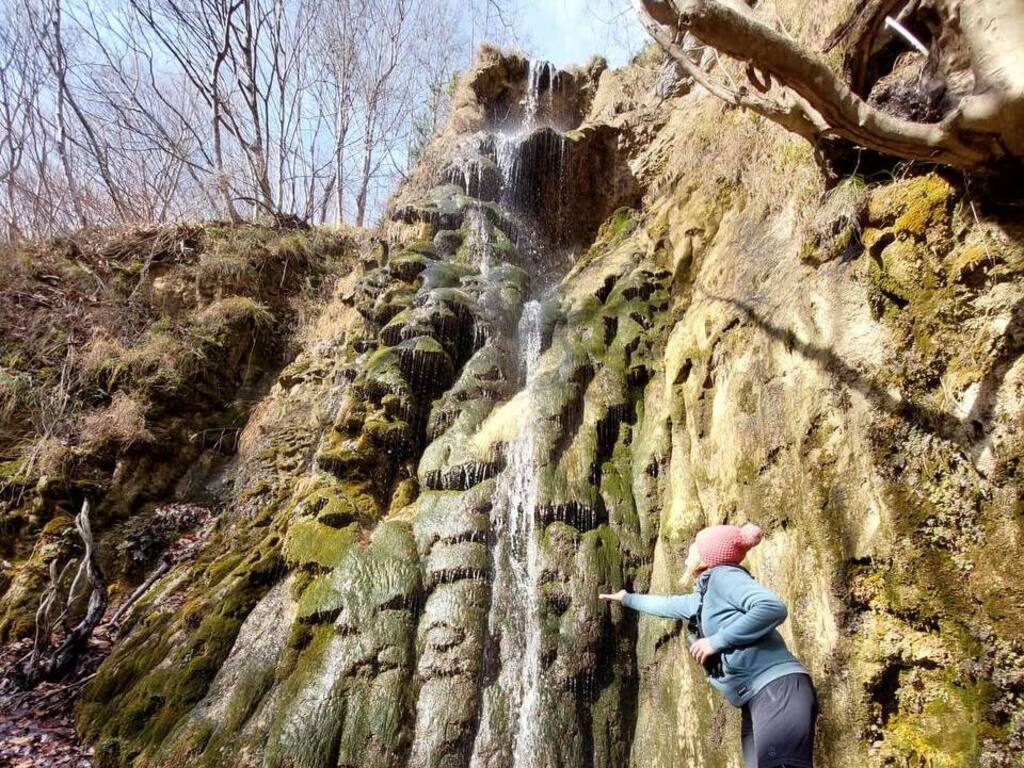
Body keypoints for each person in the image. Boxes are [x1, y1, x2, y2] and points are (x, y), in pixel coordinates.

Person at [599, 523, 817, 768]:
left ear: (708, 555)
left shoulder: (725, 576)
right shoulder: (704, 595)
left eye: (695, 545)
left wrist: (717, 641)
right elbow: (668, 605)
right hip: (755, 696)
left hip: (775, 688)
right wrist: (626, 598)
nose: (689, 551)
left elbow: (772, 607)